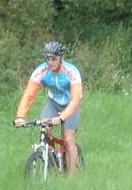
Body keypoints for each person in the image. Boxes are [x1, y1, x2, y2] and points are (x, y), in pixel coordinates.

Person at [14, 41, 83, 174]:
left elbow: (75, 99)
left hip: (70, 105)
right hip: (53, 102)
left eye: (54, 59)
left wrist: (62, 117)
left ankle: (71, 179)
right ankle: (51, 159)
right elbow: (29, 94)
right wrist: (20, 116)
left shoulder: (72, 72)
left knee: (68, 139)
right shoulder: (41, 71)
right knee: (45, 130)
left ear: (61, 58)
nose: (50, 62)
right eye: (47, 58)